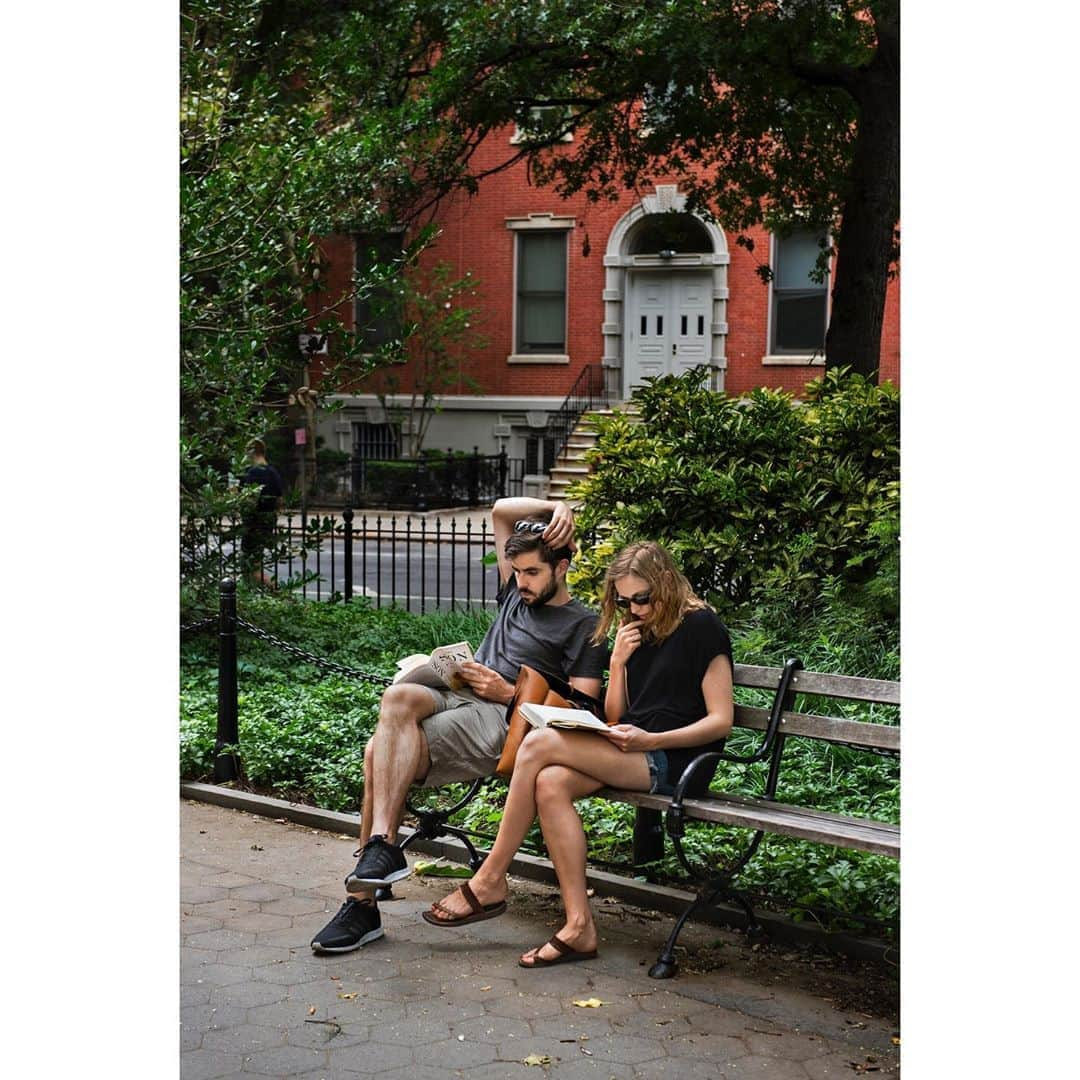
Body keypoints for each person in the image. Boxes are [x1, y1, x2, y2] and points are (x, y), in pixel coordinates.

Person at [310, 497, 607, 954]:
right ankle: (382, 847)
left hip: (503, 718)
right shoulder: (515, 593)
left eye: (533, 573)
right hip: (462, 693)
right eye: (518, 572)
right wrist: (557, 506)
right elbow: (502, 510)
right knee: (398, 695)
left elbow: (582, 707)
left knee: (377, 752)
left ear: (562, 566)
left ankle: (361, 903)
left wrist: (507, 692)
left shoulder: (583, 624)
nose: (522, 583)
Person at [422, 541, 733, 968]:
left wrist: (651, 740)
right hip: (629, 749)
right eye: (624, 601)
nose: (634, 609)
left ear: (665, 583)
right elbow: (617, 714)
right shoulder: (635, 630)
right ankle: (579, 925)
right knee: (550, 783)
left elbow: (720, 721)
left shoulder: (702, 628)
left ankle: (491, 878)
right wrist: (620, 661)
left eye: (642, 598)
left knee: (537, 742)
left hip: (676, 760)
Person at [239, 439, 283, 587]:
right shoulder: (273, 472)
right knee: (255, 564)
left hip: (253, 524)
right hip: (268, 522)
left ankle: (279, 592)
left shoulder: (253, 473)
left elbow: (249, 502)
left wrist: (236, 499)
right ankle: (257, 595)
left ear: (251, 452)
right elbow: (279, 501)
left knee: (250, 566)